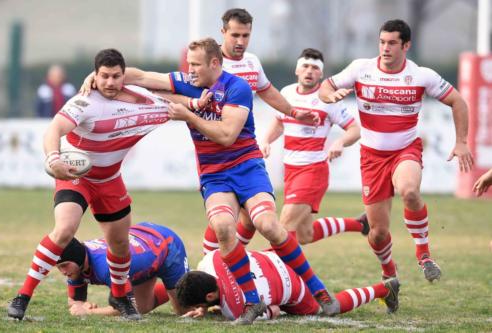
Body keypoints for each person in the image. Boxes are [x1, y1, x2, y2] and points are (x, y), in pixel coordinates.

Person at [113, 38, 338, 324]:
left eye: (196, 65)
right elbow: (140, 76)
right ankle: (252, 302)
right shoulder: (186, 81)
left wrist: (189, 115)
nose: (190, 70)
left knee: (267, 224)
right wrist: (98, 77)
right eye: (189, 64)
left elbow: (226, 135)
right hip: (214, 174)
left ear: (215, 64)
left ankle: (319, 290)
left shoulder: (237, 87)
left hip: (247, 168)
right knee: (222, 228)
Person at [7, 48, 171, 321]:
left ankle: (121, 296)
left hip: (110, 181)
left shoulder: (141, 99)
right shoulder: (84, 101)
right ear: (95, 75)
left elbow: (171, 92)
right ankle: (23, 296)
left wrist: (197, 104)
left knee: (119, 243)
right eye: (104, 76)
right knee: (64, 230)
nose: (109, 82)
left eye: (115, 76)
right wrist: (54, 157)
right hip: (76, 176)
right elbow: (53, 130)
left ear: (123, 76)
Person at [319, 19, 474, 282]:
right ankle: (389, 272)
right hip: (371, 157)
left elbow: (458, 101)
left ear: (406, 45)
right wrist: (329, 96)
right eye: (382, 42)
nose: (385, 48)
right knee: (378, 233)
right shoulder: (361, 68)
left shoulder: (421, 75)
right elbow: (326, 86)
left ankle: (424, 255)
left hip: (405, 149)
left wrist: (461, 141)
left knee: (410, 191)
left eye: (392, 43)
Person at [202, 8, 321, 254]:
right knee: (225, 216)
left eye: (246, 35)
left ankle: (227, 262)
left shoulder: (251, 62)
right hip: (216, 155)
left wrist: (294, 112)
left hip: (245, 152)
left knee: (250, 219)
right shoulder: (209, 64)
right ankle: (211, 264)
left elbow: (266, 90)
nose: (240, 41)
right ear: (222, 32)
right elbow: (178, 87)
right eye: (235, 35)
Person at [260, 48, 368, 245]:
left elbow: (355, 129)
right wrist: (267, 140)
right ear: (297, 70)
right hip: (291, 170)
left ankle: (284, 273)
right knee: (305, 234)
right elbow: (279, 121)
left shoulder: (328, 99)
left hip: (312, 171)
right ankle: (360, 224)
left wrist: (340, 142)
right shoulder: (287, 93)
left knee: (283, 227)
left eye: (315, 68)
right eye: (306, 66)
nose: (309, 71)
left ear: (321, 74)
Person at [175, 249, 400, 321]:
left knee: (326, 308)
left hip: (292, 286)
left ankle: (383, 289)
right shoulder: (210, 260)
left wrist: (213, 311)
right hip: (278, 257)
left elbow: (273, 310)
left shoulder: (236, 310)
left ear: (210, 296)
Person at [55, 222, 189, 316]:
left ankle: (197, 277)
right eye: (58, 267)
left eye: (64, 265)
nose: (63, 272)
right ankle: (173, 287)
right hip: (143, 247)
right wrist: (79, 305)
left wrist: (89, 312)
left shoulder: (106, 267)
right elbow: (74, 300)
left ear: (77, 257)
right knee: (144, 306)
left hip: (166, 244)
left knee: (184, 311)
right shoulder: (76, 264)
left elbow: (129, 308)